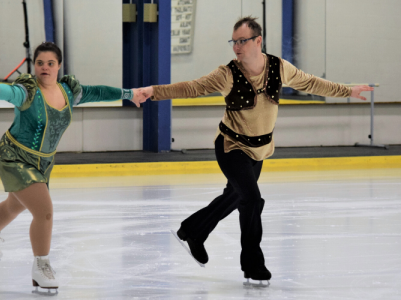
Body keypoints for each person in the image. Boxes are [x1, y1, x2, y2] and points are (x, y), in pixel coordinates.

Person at [140, 16, 373, 285]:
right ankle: (253, 265)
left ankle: (193, 230)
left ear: (258, 41)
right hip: (231, 146)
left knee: (234, 197)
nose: (236, 47)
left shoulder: (278, 67)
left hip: (260, 149)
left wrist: (347, 90)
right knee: (251, 199)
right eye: (234, 42)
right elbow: (192, 87)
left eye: (242, 41)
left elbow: (311, 83)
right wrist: (153, 92)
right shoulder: (227, 73)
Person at [0, 42, 147, 292]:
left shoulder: (69, 92)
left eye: (50, 63)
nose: (45, 68)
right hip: (15, 155)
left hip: (44, 162)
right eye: (40, 63)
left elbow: (99, 92)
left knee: (13, 205)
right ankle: (41, 268)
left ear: (59, 66)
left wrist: (129, 93)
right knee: (45, 212)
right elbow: (11, 93)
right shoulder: (28, 90)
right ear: (34, 66)